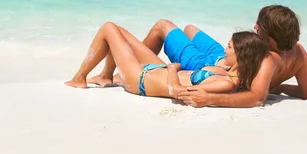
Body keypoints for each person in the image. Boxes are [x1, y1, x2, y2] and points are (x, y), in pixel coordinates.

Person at [106, 5, 307, 108]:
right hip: (220, 56)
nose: (254, 27)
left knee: (163, 26)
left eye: (259, 26)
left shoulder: (267, 59)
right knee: (190, 29)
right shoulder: (300, 53)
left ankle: (126, 70)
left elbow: (257, 98)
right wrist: (277, 86)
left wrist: (209, 99)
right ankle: (129, 68)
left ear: (271, 36)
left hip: (206, 65)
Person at [65, 22, 269, 101]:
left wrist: (172, 70)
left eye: (230, 47)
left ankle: (79, 79)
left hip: (140, 80)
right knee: (120, 33)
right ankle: (105, 76)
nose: (225, 49)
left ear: (242, 56)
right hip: (155, 69)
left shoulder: (226, 83)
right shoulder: (226, 71)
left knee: (108, 28)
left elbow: (179, 93)